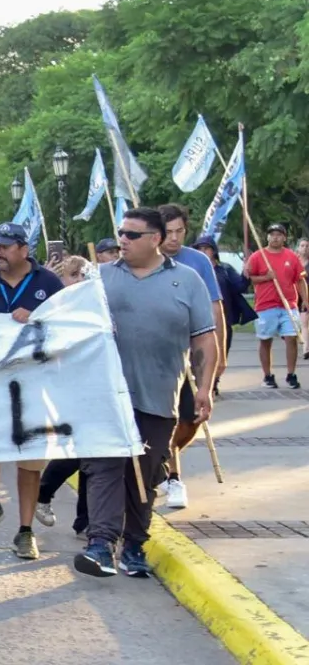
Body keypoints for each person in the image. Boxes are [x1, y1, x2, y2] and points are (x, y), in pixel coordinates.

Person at [77, 207, 217, 578]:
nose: (122, 239)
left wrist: (204, 387)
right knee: (104, 468)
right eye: (120, 233)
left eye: (132, 235)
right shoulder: (101, 277)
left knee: (145, 474)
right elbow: (69, 323)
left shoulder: (187, 280)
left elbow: (204, 336)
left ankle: (134, 545)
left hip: (159, 395)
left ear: (155, 239)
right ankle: (100, 545)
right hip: (106, 397)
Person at [0, 222, 65, 560]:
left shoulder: (49, 284)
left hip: (34, 386)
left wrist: (37, 318)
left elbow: (66, 329)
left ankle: (25, 531)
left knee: (30, 458)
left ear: (24, 249)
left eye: (5, 246)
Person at [156, 204, 227, 511]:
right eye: (168, 232)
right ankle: (173, 476)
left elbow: (214, 309)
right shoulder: (145, 260)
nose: (173, 238)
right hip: (158, 355)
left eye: (179, 232)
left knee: (193, 417)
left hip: (192, 350)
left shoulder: (197, 261)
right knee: (167, 418)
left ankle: (163, 457)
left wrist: (219, 351)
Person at [35, 256, 91, 534]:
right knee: (79, 449)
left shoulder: (94, 305)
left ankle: (86, 518)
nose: (79, 279)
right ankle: (43, 492)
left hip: (94, 384)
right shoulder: (56, 308)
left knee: (93, 451)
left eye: (83, 274)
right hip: (66, 385)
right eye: (73, 275)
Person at [245, 223, 308, 391]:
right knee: (265, 340)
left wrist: (306, 300)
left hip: (288, 304)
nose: (275, 237)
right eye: (272, 234)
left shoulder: (291, 257)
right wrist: (266, 277)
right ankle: (267, 375)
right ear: (267, 237)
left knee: (291, 338)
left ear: (284, 238)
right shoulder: (258, 256)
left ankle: (291, 374)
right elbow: (249, 278)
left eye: (279, 234)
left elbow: (300, 280)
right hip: (265, 306)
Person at [194, 236, 257, 390]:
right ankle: (201, 382)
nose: (203, 252)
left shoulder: (225, 270)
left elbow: (240, 287)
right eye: (199, 249)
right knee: (200, 353)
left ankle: (214, 381)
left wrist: (245, 274)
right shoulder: (192, 271)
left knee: (221, 351)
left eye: (206, 248)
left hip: (223, 318)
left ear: (213, 251)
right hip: (199, 319)